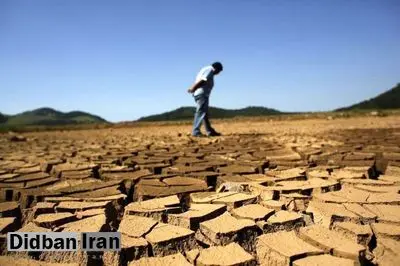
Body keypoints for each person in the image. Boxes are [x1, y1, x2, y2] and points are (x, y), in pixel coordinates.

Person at [187, 62, 223, 137]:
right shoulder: (210, 70)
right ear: (216, 68)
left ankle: (209, 131)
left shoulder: (205, 69)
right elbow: (203, 80)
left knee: (204, 113)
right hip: (202, 94)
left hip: (200, 93)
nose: (218, 73)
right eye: (218, 71)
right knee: (200, 112)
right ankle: (195, 131)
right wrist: (193, 88)